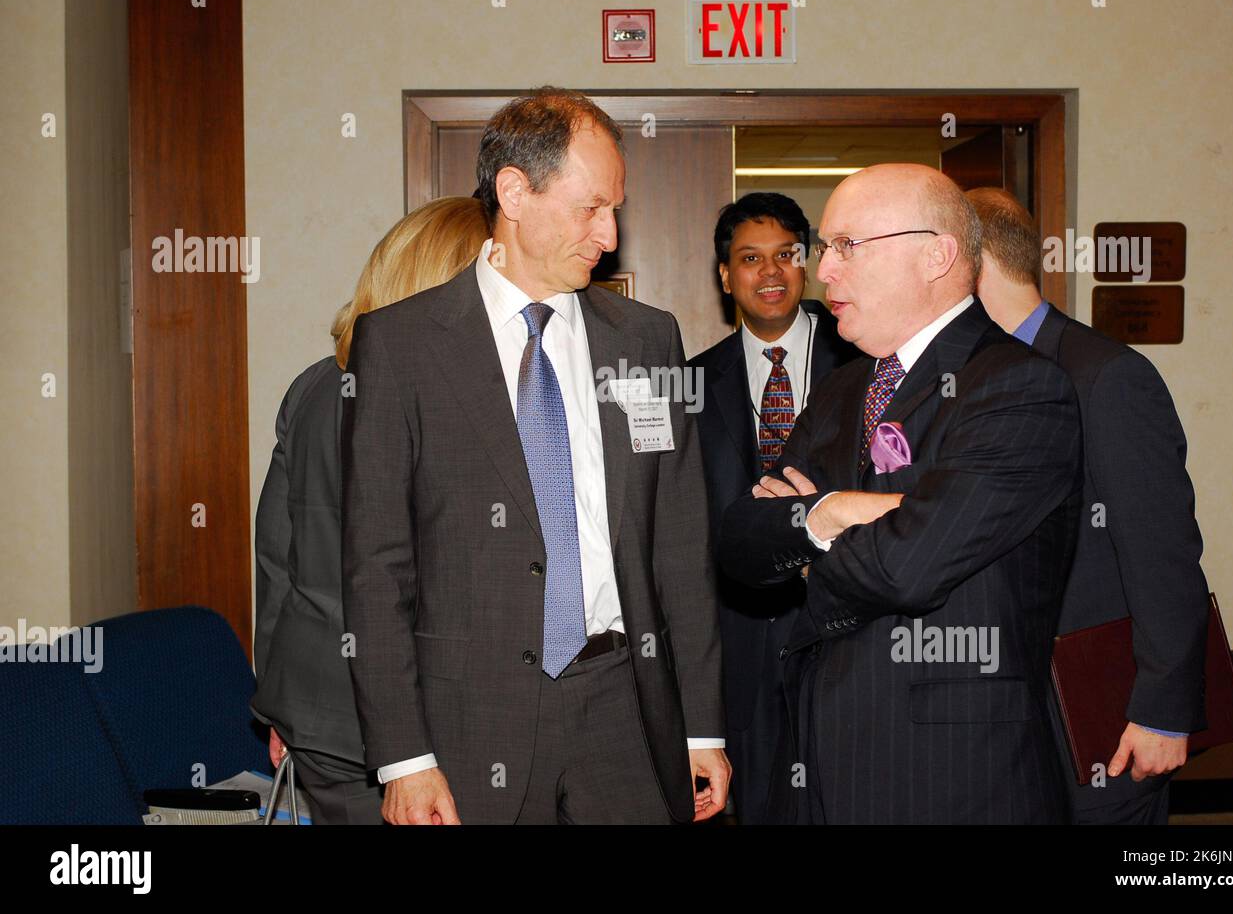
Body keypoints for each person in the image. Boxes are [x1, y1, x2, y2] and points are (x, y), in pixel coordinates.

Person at [341, 87, 730, 825]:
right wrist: (404, 757)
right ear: (514, 192)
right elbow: (375, 565)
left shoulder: (646, 341)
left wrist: (701, 724)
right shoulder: (401, 345)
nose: (610, 235)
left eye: (615, 208)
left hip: (627, 714)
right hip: (467, 723)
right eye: (590, 208)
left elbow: (680, 543)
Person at [720, 163, 1082, 824]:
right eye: (825, 249)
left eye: (846, 247)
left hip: (947, 773)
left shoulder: (1018, 388)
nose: (823, 270)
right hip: (811, 759)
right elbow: (741, 543)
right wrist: (840, 512)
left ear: (937, 255)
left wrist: (802, 529)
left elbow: (907, 568)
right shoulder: (838, 389)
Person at [968, 186, 1209, 825]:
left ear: (970, 262)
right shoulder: (970, 377)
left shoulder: (1106, 377)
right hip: (1001, 712)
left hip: (1098, 708)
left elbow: (1165, 554)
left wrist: (1163, 709)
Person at [251, 195, 489, 824]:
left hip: (319, 714)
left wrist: (278, 703)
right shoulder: (451, 400)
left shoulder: (312, 386)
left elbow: (277, 559)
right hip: (422, 721)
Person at [688, 192, 858, 823]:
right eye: (750, 258)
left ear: (806, 264)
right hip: (738, 637)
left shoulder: (863, 362)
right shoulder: (692, 385)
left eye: (786, 254)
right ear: (726, 275)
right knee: (757, 802)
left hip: (845, 620)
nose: (770, 272)